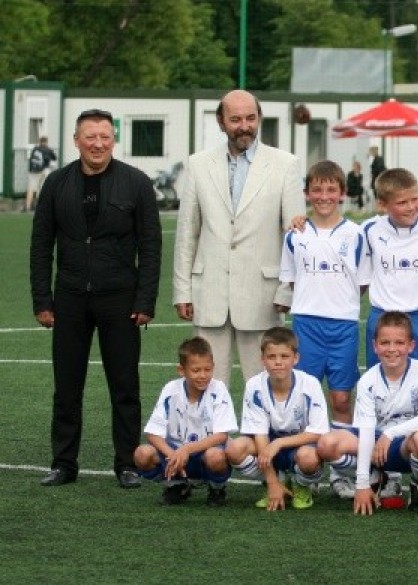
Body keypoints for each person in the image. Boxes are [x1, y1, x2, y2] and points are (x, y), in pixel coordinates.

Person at [30, 108, 162, 489]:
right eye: (90, 137)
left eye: (105, 137)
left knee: (125, 387)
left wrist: (145, 301)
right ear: (76, 141)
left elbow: (150, 246)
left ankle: (127, 464)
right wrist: (42, 300)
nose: (98, 144)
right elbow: (41, 245)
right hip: (69, 298)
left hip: (120, 299)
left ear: (113, 140)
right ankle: (63, 463)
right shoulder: (56, 183)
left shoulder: (136, 183)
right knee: (67, 387)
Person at [173, 89, 305, 389]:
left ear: (259, 119)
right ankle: (210, 425)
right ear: (221, 122)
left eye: (250, 118)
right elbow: (187, 233)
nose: (244, 126)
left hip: (264, 297)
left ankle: (263, 425)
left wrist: (286, 291)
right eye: (235, 120)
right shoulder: (198, 164)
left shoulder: (286, 164)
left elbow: (295, 239)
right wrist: (182, 290)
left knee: (264, 386)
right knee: (206, 385)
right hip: (209, 293)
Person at [278, 160, 363, 454]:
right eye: (317, 190)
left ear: (342, 193)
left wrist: (339, 300)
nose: (324, 196)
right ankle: (306, 463)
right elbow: (292, 280)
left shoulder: (356, 233)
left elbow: (362, 282)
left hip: (343, 325)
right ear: (307, 193)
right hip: (307, 324)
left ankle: (341, 463)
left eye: (331, 190)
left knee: (341, 398)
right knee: (305, 396)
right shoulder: (295, 235)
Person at [316, 311, 418, 514]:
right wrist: (362, 484)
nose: (392, 349)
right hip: (375, 446)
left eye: (399, 343)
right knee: (326, 444)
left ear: (411, 345)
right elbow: (366, 431)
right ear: (375, 346)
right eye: (385, 343)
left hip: (405, 446)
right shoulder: (367, 381)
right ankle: (376, 476)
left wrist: (389, 434)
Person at [225, 327, 329, 511]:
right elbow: (259, 434)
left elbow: (317, 433)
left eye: (284, 356)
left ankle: (301, 485)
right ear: (263, 359)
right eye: (272, 357)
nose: (278, 362)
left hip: (300, 446)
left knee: (308, 458)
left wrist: (279, 443)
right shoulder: (254, 386)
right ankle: (277, 482)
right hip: (268, 445)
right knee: (235, 448)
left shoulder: (310, 384)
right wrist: (272, 482)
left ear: (295, 358)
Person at [359, 168, 418, 371]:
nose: (411, 207)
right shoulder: (369, 229)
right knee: (380, 381)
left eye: (414, 199)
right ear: (382, 204)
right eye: (402, 202)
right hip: (382, 317)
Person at [134, 337, 238, 506]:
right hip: (175, 452)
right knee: (142, 454)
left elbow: (221, 436)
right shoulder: (171, 389)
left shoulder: (218, 389)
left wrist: (187, 449)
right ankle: (176, 484)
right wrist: (173, 454)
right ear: (181, 370)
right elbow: (152, 433)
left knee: (216, 456)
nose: (203, 375)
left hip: (204, 453)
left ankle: (217, 488)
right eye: (196, 370)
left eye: (207, 369)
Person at [25, 136, 57, 212]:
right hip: (44, 171)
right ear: (46, 142)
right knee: (43, 188)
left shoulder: (35, 149)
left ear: (40, 142)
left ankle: (27, 206)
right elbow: (54, 158)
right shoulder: (48, 149)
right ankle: (42, 207)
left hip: (33, 171)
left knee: (31, 189)